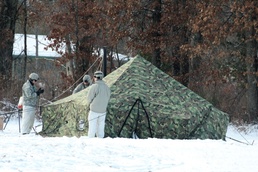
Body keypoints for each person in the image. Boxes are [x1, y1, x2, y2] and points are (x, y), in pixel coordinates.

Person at [87, 71, 110, 138]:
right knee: (101, 127)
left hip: (94, 110)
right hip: (103, 111)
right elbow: (108, 98)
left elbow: (89, 98)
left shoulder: (94, 86)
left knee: (92, 127)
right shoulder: (107, 87)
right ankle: (100, 142)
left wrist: (90, 104)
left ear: (95, 77)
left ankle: (91, 141)